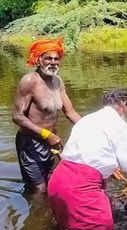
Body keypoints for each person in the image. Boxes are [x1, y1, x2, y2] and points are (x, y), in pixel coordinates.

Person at [48, 89, 127, 230]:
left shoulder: (88, 119)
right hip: (79, 190)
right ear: (123, 105)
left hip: (58, 184)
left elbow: (89, 154)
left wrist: (110, 168)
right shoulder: (119, 125)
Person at [12, 38, 81, 194]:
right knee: (38, 188)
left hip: (51, 143)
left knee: (51, 183)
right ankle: (33, 216)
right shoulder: (29, 81)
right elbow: (17, 116)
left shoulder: (58, 81)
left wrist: (93, 130)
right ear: (38, 60)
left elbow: (70, 112)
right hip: (30, 143)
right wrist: (46, 134)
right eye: (48, 58)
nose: (53, 62)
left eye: (56, 59)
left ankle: (50, 214)